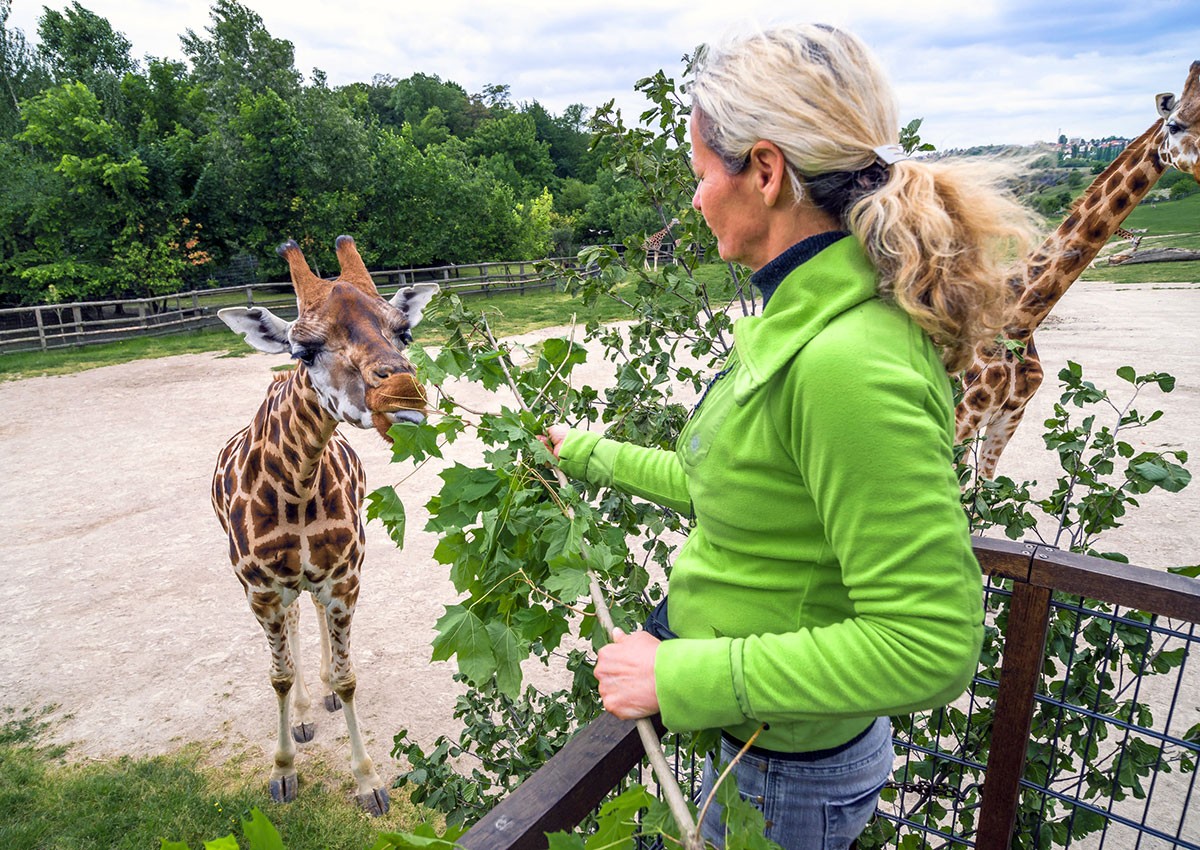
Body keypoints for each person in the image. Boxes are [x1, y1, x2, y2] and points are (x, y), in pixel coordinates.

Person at [542, 23, 1038, 850]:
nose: (696, 200)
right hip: (762, 746)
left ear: (765, 171)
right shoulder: (812, 320)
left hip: (785, 776)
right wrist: (585, 454)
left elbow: (931, 645)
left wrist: (680, 676)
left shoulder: (845, 360)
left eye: (701, 175)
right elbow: (741, 485)